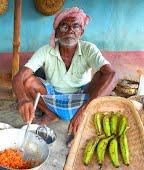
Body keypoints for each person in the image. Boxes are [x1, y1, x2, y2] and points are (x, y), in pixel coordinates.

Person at [12, 7, 117, 138]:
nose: (70, 31)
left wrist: (84, 110)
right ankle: (51, 114)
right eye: (64, 26)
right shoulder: (46, 50)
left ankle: (85, 116)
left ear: (81, 32)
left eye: (76, 26)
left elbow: (113, 74)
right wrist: (23, 99)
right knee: (28, 81)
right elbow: (18, 77)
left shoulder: (88, 49)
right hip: (54, 96)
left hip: (82, 97)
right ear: (56, 33)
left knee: (103, 75)